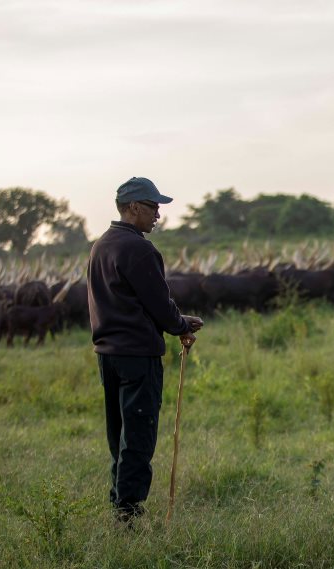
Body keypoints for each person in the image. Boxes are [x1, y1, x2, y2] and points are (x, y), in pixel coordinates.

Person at [87, 176, 204, 524]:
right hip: (138, 355)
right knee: (138, 434)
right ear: (134, 207)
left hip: (108, 355)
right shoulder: (139, 249)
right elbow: (158, 303)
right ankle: (129, 514)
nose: (158, 215)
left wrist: (178, 320)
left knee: (119, 433)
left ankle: (119, 504)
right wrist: (180, 326)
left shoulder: (101, 245)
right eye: (153, 207)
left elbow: (129, 302)